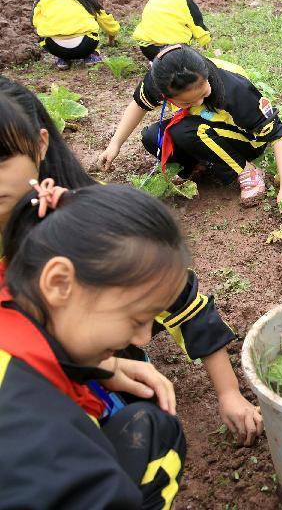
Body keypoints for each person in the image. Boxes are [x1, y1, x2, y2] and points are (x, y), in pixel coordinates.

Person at [0, 79, 263, 445]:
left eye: (0, 158)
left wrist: (228, 392)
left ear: (40, 145)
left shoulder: (86, 224)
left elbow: (181, 299)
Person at [0, 182, 188, 507]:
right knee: (158, 436)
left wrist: (107, 365)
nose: (143, 339)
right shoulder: (43, 438)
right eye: (136, 319)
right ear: (59, 282)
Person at [98, 45, 282, 207]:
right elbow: (139, 105)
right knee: (153, 137)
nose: (200, 102)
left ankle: (246, 170)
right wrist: (115, 144)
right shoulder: (161, 79)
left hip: (245, 140)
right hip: (205, 129)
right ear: (165, 95)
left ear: (207, 75)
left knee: (184, 130)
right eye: (188, 102)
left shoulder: (234, 88)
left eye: (204, 94)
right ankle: (200, 164)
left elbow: (278, 136)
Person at [32, 0, 120, 70]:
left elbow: (36, 22)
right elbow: (106, 21)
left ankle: (63, 59)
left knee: (44, 35)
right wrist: (112, 38)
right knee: (92, 30)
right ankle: (90, 56)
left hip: (54, 47)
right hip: (85, 46)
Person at [133, 0, 212, 61]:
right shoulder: (185, 0)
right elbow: (199, 28)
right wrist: (209, 48)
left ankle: (156, 62)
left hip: (147, 49)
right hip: (173, 51)